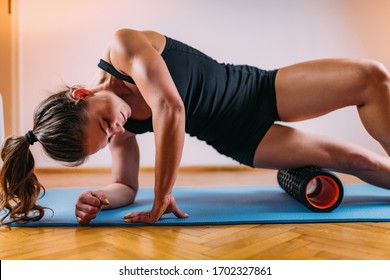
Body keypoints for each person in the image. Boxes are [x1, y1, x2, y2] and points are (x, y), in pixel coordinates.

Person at [1, 28, 390, 225]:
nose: (116, 131)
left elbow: (170, 108)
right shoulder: (124, 128)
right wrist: (99, 196)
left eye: (105, 123)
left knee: (372, 77)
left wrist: (163, 195)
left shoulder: (123, 47)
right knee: (353, 159)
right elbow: (126, 185)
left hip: (258, 89)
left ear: (83, 93)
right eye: (106, 138)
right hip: (241, 138)